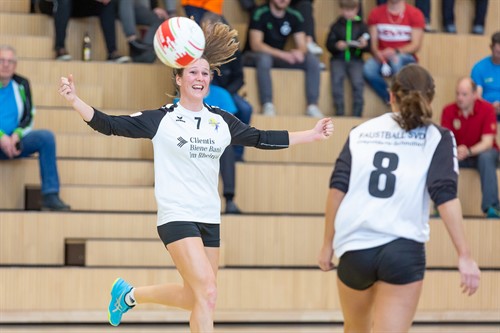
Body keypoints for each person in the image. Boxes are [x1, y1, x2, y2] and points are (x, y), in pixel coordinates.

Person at [58, 21, 334, 332]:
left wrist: (311, 135)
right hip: (176, 215)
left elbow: (260, 137)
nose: (199, 77)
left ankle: (129, 295)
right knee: (209, 292)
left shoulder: (220, 120)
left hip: (209, 216)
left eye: (204, 72)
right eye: (192, 72)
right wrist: (74, 101)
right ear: (178, 78)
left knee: (198, 296)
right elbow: (109, 124)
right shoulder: (161, 120)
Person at [318, 64, 480, 332]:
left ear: (390, 95)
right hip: (402, 250)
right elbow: (445, 195)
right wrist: (464, 255)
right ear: (430, 98)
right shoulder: (438, 137)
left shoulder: (361, 131)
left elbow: (337, 189)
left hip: (355, 247)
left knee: (355, 329)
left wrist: (327, 244)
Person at [0, 45, 70, 211]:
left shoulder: (22, 84)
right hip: (2, 139)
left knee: (46, 138)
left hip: (15, 143)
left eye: (10, 61)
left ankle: (50, 196)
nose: (6, 65)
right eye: (1, 60)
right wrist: (1, 136)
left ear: (15, 65)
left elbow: (29, 116)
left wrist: (16, 136)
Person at [243, 0, 324, 117]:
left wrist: (299, 52)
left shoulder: (294, 15)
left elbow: (302, 44)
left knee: (311, 59)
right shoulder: (259, 13)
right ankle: (267, 104)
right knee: (265, 59)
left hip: (277, 57)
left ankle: (312, 105)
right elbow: (256, 45)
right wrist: (284, 55)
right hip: (253, 56)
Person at [441, 77, 500, 218]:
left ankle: (492, 207)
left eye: (464, 94)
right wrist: (456, 151)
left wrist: (468, 151)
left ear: (474, 95)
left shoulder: (487, 109)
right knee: (443, 157)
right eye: (458, 94)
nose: (459, 98)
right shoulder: (448, 111)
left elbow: (487, 142)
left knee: (486, 157)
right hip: (460, 154)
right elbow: (444, 142)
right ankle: (441, 204)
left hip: (483, 153)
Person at [363, 0, 425, 104]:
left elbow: (415, 45)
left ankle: (404, 101)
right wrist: (377, 53)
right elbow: (373, 44)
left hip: (405, 57)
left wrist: (396, 51)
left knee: (397, 61)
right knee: (368, 68)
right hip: (383, 58)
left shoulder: (415, 14)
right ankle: (391, 99)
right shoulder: (375, 13)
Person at [42, 0, 131, 62]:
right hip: (52, 4)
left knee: (107, 3)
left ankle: (112, 52)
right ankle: (60, 49)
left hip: (77, 5)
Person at [326, 0, 369, 117]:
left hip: (356, 60)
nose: (349, 13)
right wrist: (336, 45)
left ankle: (357, 112)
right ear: (341, 9)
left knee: (358, 83)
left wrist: (364, 45)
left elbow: (368, 46)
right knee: (336, 83)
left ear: (356, 10)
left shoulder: (362, 25)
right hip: (338, 59)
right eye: (346, 10)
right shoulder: (336, 25)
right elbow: (329, 44)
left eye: (351, 10)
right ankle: (339, 111)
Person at [471, 31, 500, 120]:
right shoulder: (479, 68)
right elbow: (477, 96)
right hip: (485, 111)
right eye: (497, 51)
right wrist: (490, 107)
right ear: (491, 47)